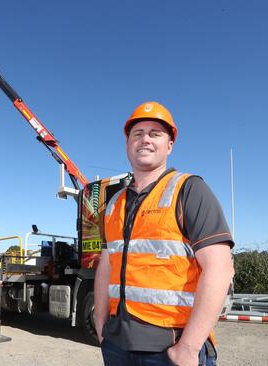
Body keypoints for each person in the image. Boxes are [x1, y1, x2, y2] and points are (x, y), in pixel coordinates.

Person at [94, 102, 235, 366]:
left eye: (155, 133)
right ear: (127, 145)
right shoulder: (114, 205)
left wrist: (189, 348)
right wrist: (100, 325)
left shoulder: (189, 190)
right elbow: (106, 265)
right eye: (137, 133)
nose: (145, 139)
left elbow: (220, 269)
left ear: (169, 145)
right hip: (116, 346)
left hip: (169, 347)